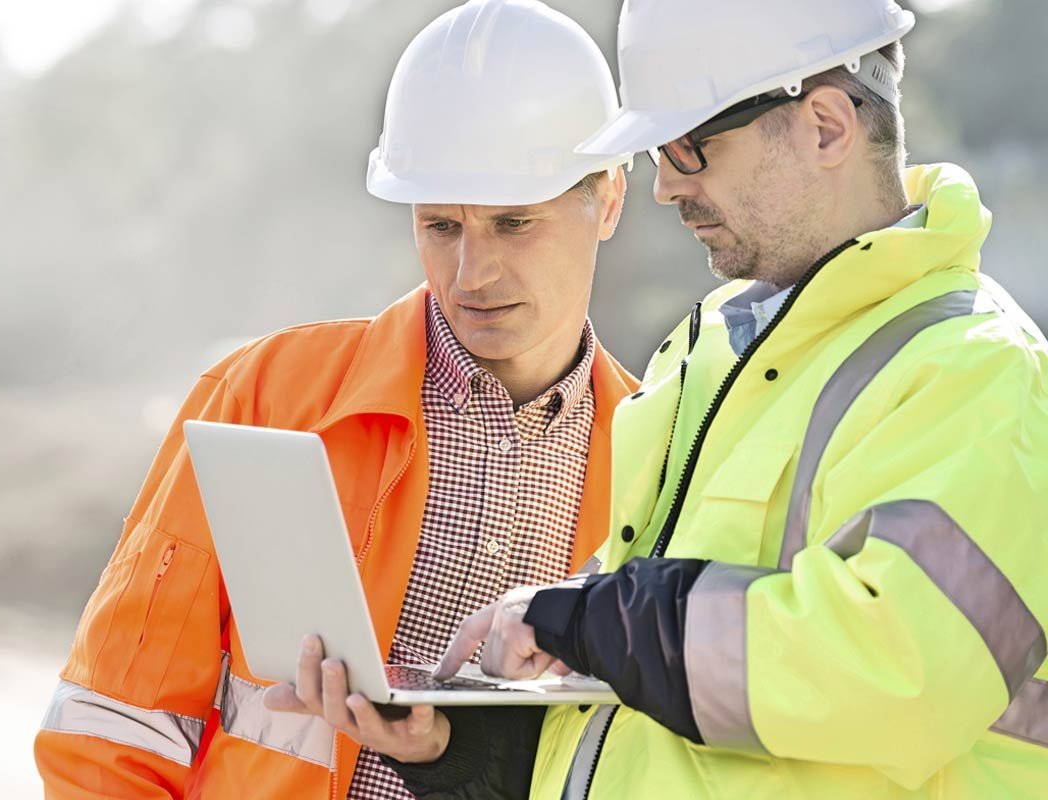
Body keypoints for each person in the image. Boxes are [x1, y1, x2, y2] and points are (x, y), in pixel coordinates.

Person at [353, 0, 1048, 797]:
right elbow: (657, 709)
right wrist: (474, 759)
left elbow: (904, 669)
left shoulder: (976, 372)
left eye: (690, 147)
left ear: (825, 126)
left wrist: (600, 618)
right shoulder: (710, 352)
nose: (665, 186)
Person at [34, 2, 640, 797]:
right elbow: (114, 724)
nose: (471, 274)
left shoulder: (656, 452)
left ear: (609, 199)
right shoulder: (266, 396)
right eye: (441, 227)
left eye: (513, 223)